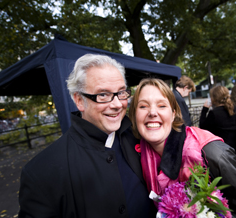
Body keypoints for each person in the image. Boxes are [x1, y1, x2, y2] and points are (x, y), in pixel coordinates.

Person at [18, 54, 156, 217]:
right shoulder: (42, 171)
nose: (117, 104)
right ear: (79, 100)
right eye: (103, 95)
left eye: (121, 92)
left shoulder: (140, 136)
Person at [129, 78, 236, 217]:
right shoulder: (136, 155)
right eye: (143, 106)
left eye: (162, 105)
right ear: (134, 115)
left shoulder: (212, 154)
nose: (152, 113)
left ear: (174, 114)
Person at [199, 85, 236, 157]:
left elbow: (203, 127)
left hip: (221, 150)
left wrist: (205, 109)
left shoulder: (214, 114)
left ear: (213, 98)